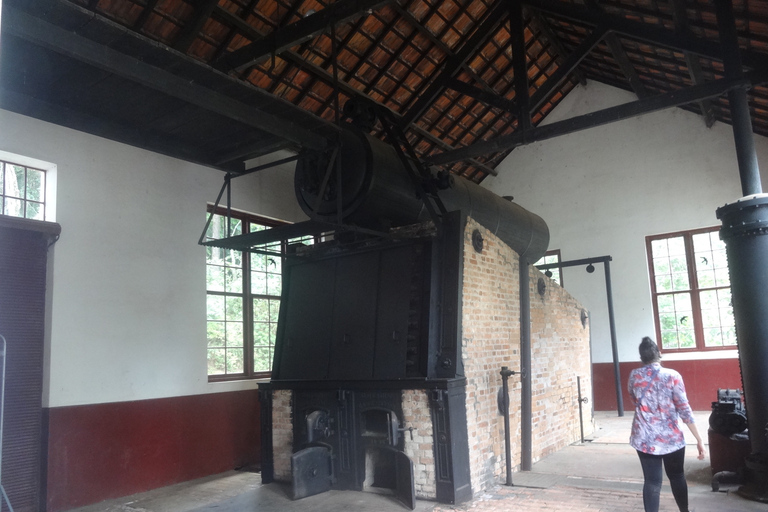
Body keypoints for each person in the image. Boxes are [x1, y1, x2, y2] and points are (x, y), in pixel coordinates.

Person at [628, 336, 705, 512]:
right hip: (672, 438)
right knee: (677, 476)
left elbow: (634, 399)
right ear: (659, 355)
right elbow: (684, 409)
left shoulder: (634, 375)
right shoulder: (672, 375)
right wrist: (699, 439)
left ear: (642, 357)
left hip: (644, 437)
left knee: (652, 482)